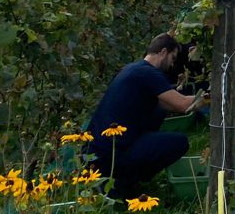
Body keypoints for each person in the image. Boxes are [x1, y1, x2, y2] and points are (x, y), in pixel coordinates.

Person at [87, 33, 205, 197]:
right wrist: (212, 97)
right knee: (180, 142)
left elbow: (166, 104)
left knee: (158, 112)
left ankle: (122, 178)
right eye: (173, 57)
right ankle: (122, 184)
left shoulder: (132, 69)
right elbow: (183, 105)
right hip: (113, 156)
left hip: (96, 154)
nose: (172, 64)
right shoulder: (149, 74)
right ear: (163, 52)